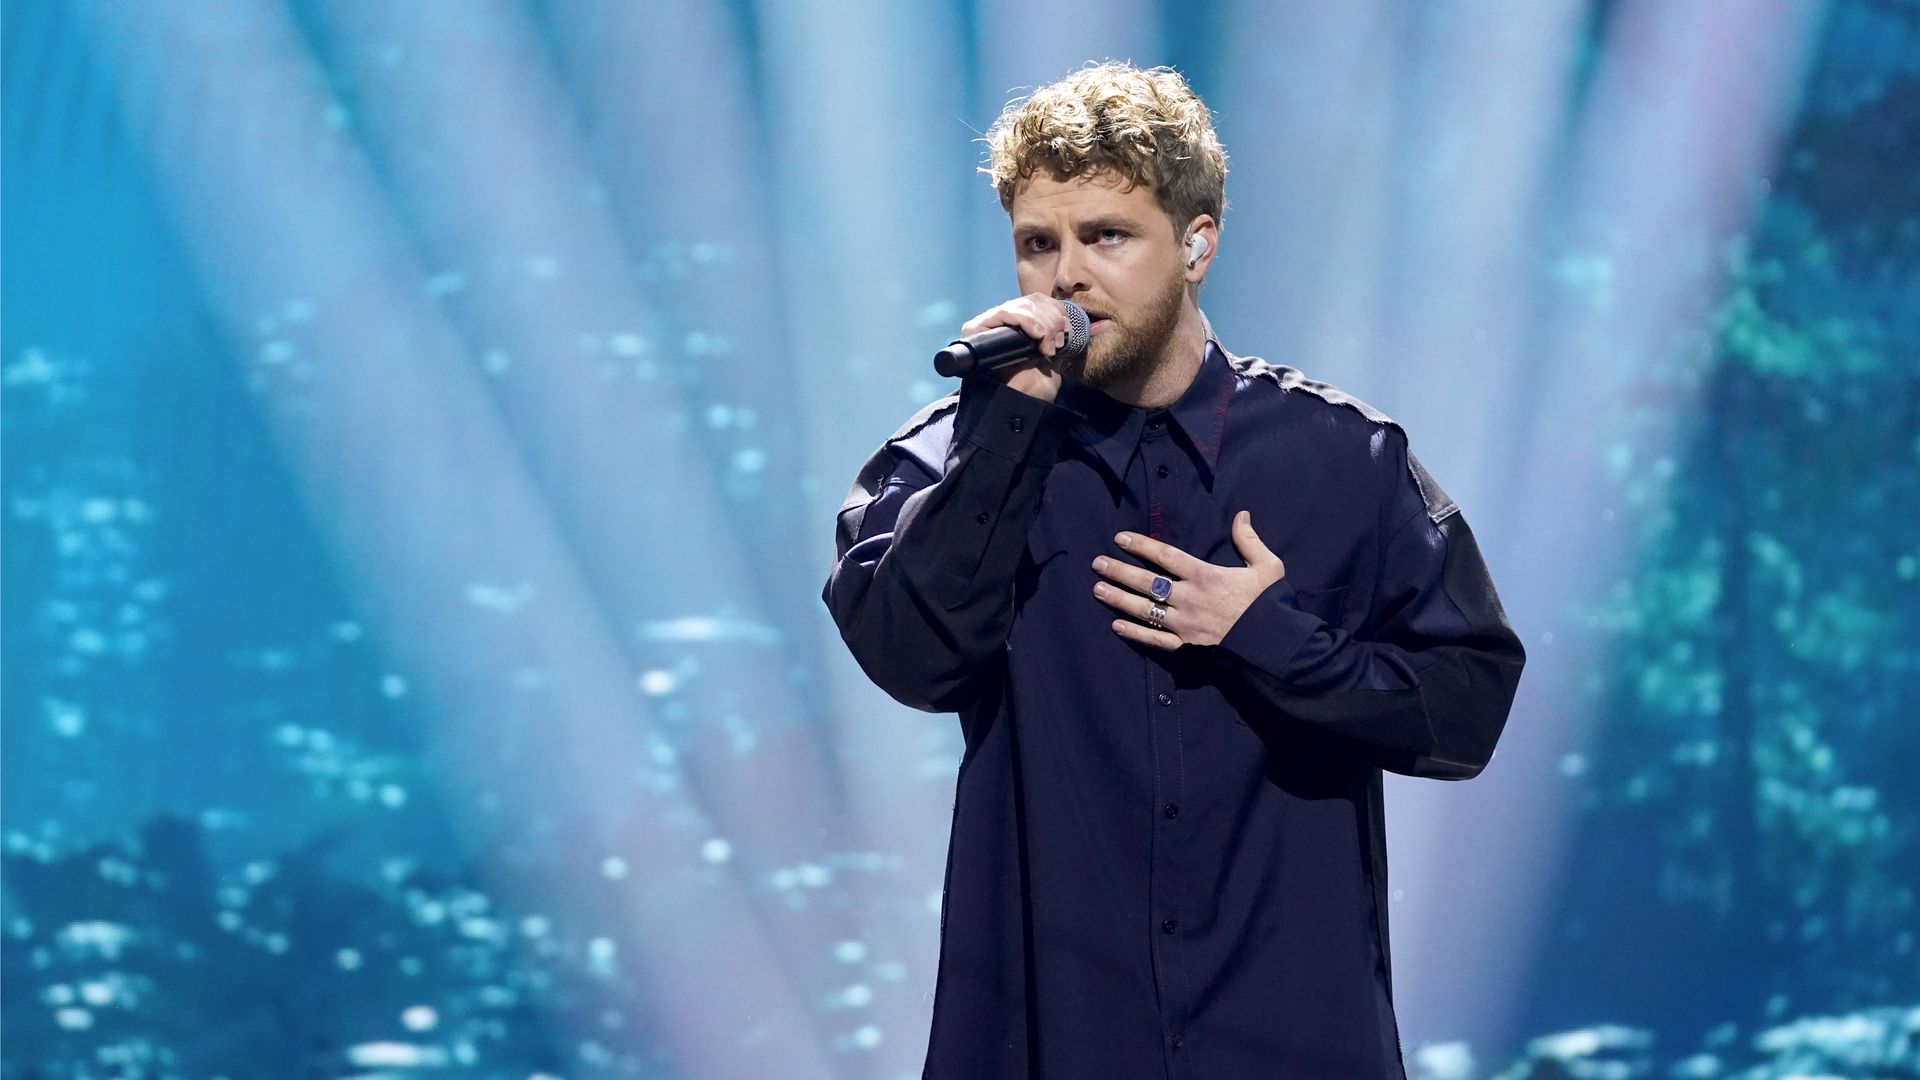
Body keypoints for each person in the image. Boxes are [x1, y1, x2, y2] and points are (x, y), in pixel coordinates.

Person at [820, 60, 1525, 1080]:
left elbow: (1468, 711)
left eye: (1106, 236)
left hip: (1289, 1037)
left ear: (1197, 244)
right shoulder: (953, 454)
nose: (1064, 276)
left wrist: (1268, 635)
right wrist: (1004, 430)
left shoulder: (1345, 460)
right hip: (1055, 1038)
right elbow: (911, 660)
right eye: (1037, 244)